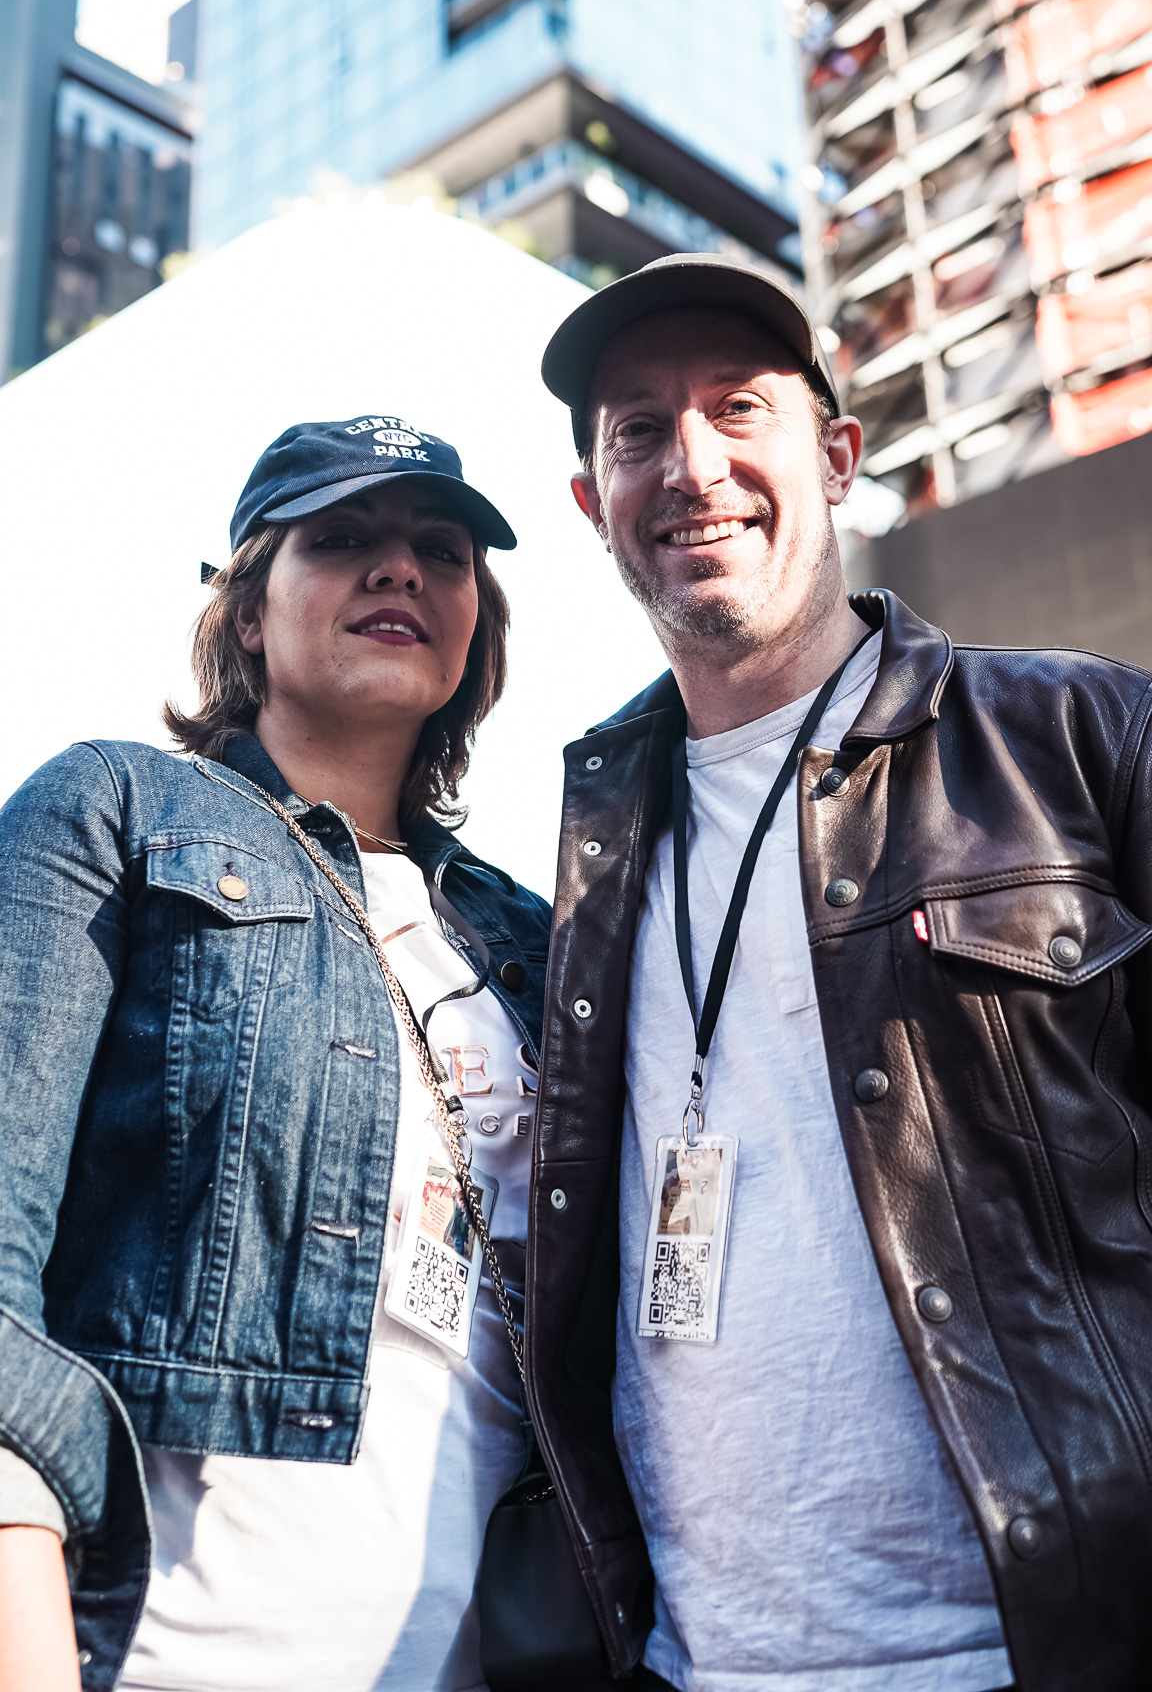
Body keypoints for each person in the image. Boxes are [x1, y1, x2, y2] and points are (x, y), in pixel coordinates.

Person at [523, 253, 1152, 1692]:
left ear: (839, 454)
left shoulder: (1079, 740)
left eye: (738, 409)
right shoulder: (588, 865)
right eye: (637, 431)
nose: (692, 466)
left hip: (1037, 1650)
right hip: (695, 1665)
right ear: (590, 504)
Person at [0, 412, 550, 1692]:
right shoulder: (117, 810)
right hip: (168, 1652)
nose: (399, 567)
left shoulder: (535, 934)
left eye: (440, 547)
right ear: (249, 611)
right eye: (342, 538)